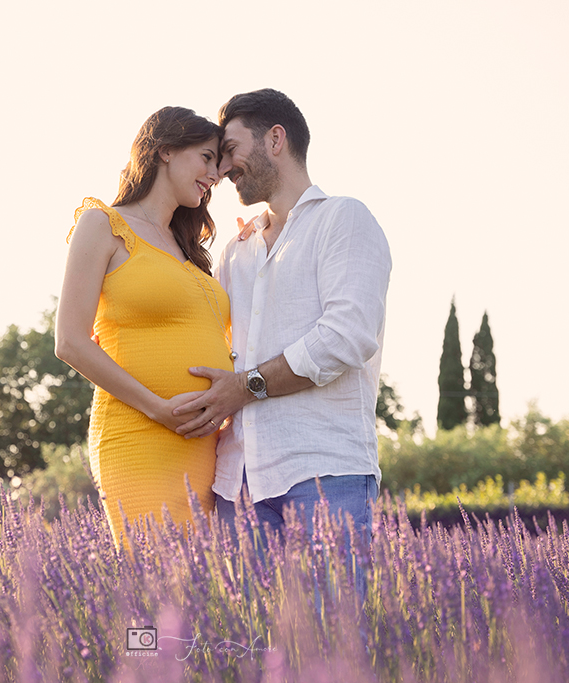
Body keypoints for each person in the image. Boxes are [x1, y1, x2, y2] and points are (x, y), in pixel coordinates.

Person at [171, 89, 392, 543]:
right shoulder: (236, 252)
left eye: (231, 150)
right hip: (238, 483)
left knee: (331, 616)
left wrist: (246, 386)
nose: (223, 169)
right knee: (244, 618)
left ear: (275, 139)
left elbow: (345, 338)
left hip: (325, 473)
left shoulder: (344, 219)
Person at [54, 107, 231, 543]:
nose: (215, 174)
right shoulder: (103, 225)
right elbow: (71, 342)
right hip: (140, 434)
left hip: (203, 444)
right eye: (207, 157)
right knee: (157, 587)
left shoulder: (189, 249)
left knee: (200, 597)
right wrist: (158, 408)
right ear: (166, 150)